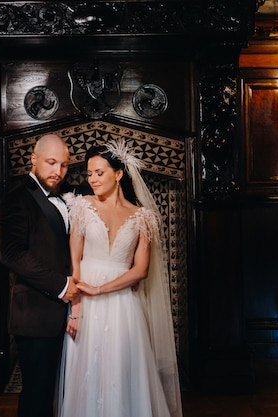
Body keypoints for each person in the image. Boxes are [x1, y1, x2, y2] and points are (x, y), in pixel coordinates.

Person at [56, 139, 182, 417]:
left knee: (122, 371)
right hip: (85, 305)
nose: (92, 180)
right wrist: (75, 310)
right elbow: (74, 261)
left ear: (119, 174)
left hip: (123, 304)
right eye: (89, 173)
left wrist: (100, 289)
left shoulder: (142, 217)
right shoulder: (82, 206)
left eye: (99, 173)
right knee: (88, 370)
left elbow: (140, 270)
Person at [0, 133, 80, 417]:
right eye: (51, 162)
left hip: (67, 313)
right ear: (33, 159)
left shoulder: (69, 196)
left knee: (60, 392)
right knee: (37, 394)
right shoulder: (16, 199)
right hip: (36, 314)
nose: (58, 171)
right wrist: (61, 286)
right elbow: (12, 254)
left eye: (65, 165)